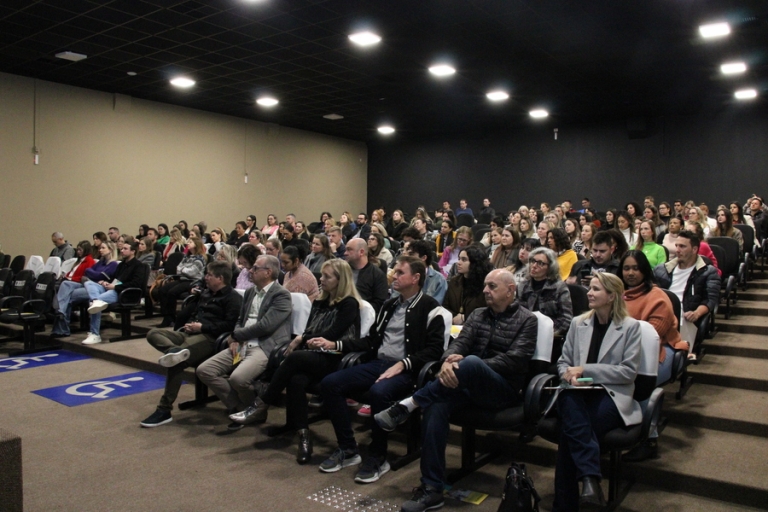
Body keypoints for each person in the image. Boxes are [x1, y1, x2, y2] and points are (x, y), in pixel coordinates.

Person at [375, 269, 538, 512]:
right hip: (465, 384)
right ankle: (432, 488)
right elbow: (459, 344)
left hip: (503, 390)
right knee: (436, 406)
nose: (485, 290)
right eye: (485, 285)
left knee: (471, 362)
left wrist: (469, 365)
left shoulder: (527, 319)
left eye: (492, 286)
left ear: (510, 290)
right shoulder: (478, 314)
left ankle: (409, 404)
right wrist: (448, 362)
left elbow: (515, 360)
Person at [317, 256, 445, 483]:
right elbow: (371, 341)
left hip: (408, 371)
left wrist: (403, 364)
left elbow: (434, 351)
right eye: (394, 271)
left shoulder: (431, 308)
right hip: (378, 364)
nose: (394, 276)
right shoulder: (389, 305)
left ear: (415, 278)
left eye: (400, 272)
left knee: (379, 392)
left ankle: (378, 455)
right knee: (330, 383)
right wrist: (336, 345)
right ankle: (348, 448)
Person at [228, 259, 362, 462]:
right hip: (314, 355)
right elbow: (310, 331)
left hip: (336, 357)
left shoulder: (349, 304)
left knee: (294, 357)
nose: (321, 279)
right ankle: (303, 435)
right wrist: (305, 338)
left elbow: (332, 334)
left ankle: (262, 403)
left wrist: (301, 339)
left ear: (340, 279)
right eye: (322, 275)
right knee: (295, 380)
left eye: (327, 276)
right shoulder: (320, 301)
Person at [553, 272, 643, 510]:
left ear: (612, 296)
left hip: (611, 394)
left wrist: (586, 370)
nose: (589, 293)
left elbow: (628, 372)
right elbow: (563, 362)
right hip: (577, 392)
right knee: (569, 402)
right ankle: (590, 481)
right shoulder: (578, 323)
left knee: (571, 432)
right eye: (589, 288)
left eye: (595, 289)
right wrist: (569, 375)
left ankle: (567, 504)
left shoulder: (631, 327)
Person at [139, 261, 243, 427]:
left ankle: (164, 409)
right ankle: (173, 350)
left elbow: (230, 326)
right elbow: (195, 313)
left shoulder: (233, 298)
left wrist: (202, 327)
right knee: (154, 333)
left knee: (176, 362)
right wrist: (191, 324)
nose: (205, 278)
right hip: (189, 333)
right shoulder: (206, 293)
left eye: (209, 275)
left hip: (209, 338)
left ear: (220, 278)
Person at [196, 255, 292, 428]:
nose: (250, 271)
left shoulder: (281, 295)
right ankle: (243, 408)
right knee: (205, 370)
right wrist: (236, 338)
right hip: (242, 344)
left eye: (255, 268)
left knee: (238, 378)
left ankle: (254, 410)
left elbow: (265, 326)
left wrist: (237, 335)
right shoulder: (250, 292)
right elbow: (240, 319)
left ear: (268, 272)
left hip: (264, 345)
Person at [620, 250, 688, 461]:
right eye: (626, 268)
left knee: (641, 380)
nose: (630, 273)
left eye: (635, 268)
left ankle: (649, 440)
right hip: (624, 351)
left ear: (644, 270)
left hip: (662, 348)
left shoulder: (658, 297)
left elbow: (650, 337)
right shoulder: (616, 294)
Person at [652, 230, 720, 355]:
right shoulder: (661, 270)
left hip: (686, 316)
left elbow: (710, 299)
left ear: (694, 249)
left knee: (682, 321)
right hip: (662, 312)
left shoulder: (708, 272)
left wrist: (697, 313)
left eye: (682, 246)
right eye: (676, 245)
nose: (677, 250)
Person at [81, 241, 145, 345]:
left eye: (125, 249)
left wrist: (115, 286)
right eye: (122, 248)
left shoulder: (139, 265)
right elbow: (114, 278)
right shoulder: (122, 264)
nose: (122, 250)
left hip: (125, 293)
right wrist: (105, 282)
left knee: (96, 302)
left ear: (133, 251)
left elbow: (136, 284)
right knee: (89, 284)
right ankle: (95, 300)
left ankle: (95, 334)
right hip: (113, 289)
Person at [517, 247, 573, 334]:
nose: (534, 266)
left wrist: (547, 333)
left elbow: (566, 319)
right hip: (525, 333)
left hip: (549, 334)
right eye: (533, 261)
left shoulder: (559, 288)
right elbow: (516, 314)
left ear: (550, 267)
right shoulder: (523, 285)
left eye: (540, 263)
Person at [50, 241, 97, 338]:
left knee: (65, 286)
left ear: (86, 250)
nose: (78, 252)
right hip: (73, 283)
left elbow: (86, 277)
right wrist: (66, 276)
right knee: (66, 299)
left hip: (81, 285)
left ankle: (59, 312)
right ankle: (61, 328)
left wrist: (70, 278)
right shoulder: (78, 261)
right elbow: (72, 273)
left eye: (80, 250)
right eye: (78, 250)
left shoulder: (90, 261)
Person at [156, 238, 207, 327]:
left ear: (196, 244)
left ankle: (171, 317)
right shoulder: (186, 256)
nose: (188, 243)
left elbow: (192, 273)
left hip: (192, 281)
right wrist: (184, 270)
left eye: (190, 242)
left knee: (172, 292)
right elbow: (177, 268)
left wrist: (182, 269)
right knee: (162, 290)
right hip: (182, 279)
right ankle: (167, 316)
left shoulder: (200, 258)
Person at [444, 245, 493, 325]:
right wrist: (454, 318)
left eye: (464, 260)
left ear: (475, 263)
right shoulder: (454, 281)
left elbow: (488, 311)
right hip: (453, 324)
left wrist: (465, 317)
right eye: (459, 259)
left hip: (477, 326)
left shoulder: (486, 285)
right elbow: (445, 306)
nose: (458, 263)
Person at [344, 238, 388, 313]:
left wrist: (358, 308)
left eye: (349, 250)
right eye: (346, 250)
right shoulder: (342, 271)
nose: (345, 253)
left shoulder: (377, 275)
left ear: (361, 252)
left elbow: (379, 304)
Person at [398, 240, 447, 304]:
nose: (407, 258)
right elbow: (395, 300)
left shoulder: (439, 280)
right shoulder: (400, 275)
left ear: (423, 258)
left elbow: (436, 305)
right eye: (407, 254)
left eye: (411, 254)